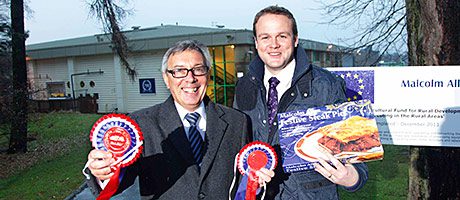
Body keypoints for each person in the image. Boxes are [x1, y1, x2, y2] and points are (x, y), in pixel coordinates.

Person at [86, 40, 274, 199]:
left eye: (198, 69)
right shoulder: (140, 124)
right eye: (179, 71)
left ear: (207, 75)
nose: (190, 78)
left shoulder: (237, 121)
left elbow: (245, 181)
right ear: (166, 79)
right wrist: (104, 172)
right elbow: (120, 181)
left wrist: (256, 182)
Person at [233, 6, 368, 199]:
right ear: (256, 42)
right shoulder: (244, 86)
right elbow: (239, 146)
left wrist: (352, 178)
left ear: (295, 40)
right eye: (265, 37)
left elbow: (356, 154)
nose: (274, 45)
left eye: (282, 36)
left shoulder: (327, 85)